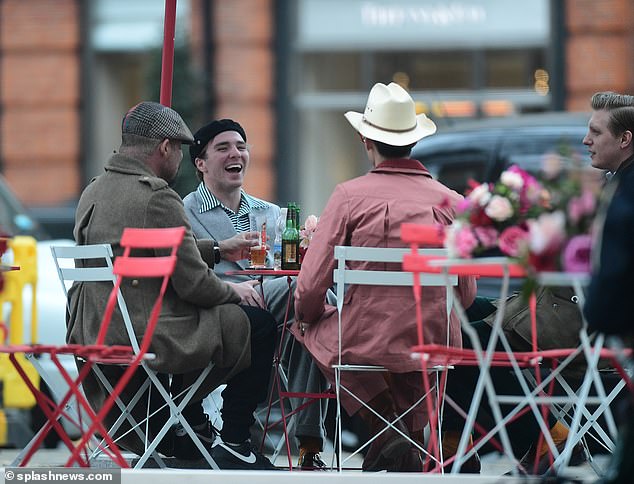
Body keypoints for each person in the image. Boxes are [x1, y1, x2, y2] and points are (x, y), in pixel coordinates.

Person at [67, 101, 277, 470]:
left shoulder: (94, 191)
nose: (180, 158)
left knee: (212, 325)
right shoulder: (157, 196)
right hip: (148, 331)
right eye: (179, 149)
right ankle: (235, 442)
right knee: (256, 324)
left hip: (95, 327)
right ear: (165, 147)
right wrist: (236, 292)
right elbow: (196, 285)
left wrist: (216, 248)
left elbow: (141, 249)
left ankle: (185, 428)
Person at [293, 82, 478, 472]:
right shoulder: (452, 202)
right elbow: (465, 294)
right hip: (433, 339)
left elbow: (310, 288)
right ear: (413, 142)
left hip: (362, 338)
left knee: (310, 328)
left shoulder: (348, 196)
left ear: (365, 141)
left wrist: (308, 314)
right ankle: (397, 447)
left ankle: (388, 433)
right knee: (409, 363)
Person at [183, 119, 329, 470]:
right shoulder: (184, 211)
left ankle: (309, 444)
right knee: (315, 302)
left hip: (276, 311)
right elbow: (187, 271)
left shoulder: (270, 212)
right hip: (223, 312)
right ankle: (352, 390)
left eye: (241, 146)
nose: (236, 154)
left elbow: (288, 264)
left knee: (314, 314)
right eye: (223, 148)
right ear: (200, 163)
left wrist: (312, 237)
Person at [582, 91, 634, 484]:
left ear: (624, 139)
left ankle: (537, 442)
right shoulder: (617, 183)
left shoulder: (624, 193)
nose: (586, 140)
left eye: (595, 132)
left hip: (604, 324)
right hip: (602, 321)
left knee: (475, 337)